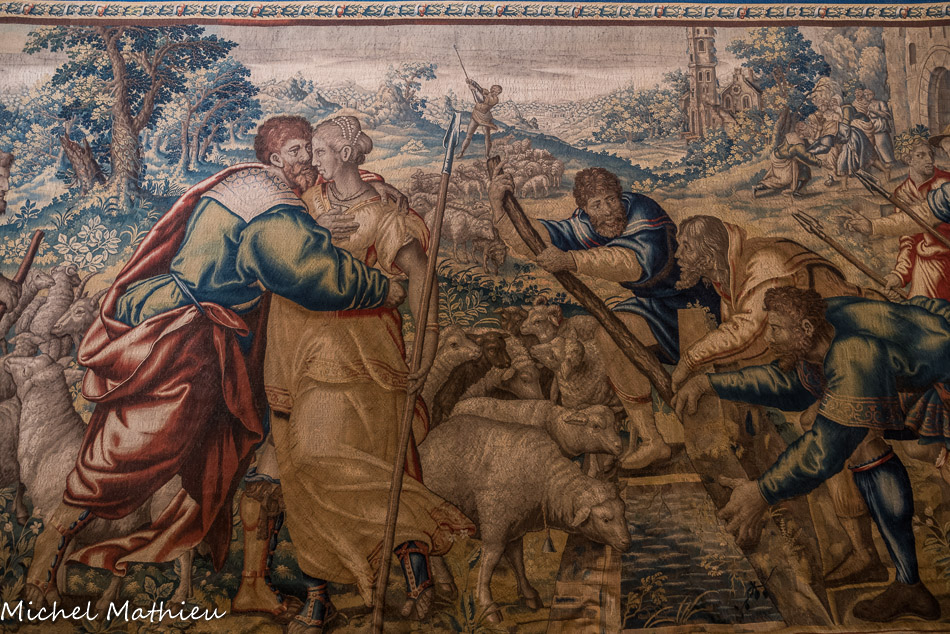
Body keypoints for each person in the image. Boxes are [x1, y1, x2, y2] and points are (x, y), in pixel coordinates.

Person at [21, 115, 406, 609]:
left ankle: (248, 584)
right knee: (127, 455)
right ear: (274, 159)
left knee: (218, 460)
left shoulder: (250, 185)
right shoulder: (269, 202)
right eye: (297, 151)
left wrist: (367, 188)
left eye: (311, 149)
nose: (309, 159)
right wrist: (379, 288)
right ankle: (44, 564)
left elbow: (331, 194)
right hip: (185, 345)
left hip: (207, 341)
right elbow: (305, 270)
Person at [264, 115, 474, 633]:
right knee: (301, 470)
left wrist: (427, 339)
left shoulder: (383, 214)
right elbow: (276, 254)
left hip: (361, 355)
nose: (312, 159)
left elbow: (420, 275)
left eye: (319, 150)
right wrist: (311, 237)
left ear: (344, 154)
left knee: (350, 460)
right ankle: (321, 596)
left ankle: (411, 564)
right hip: (295, 351)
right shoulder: (306, 207)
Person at [673, 287, 948, 622]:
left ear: (803, 329)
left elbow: (825, 450)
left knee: (859, 441)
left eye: (776, 330)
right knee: (862, 444)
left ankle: (910, 585)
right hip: (921, 358)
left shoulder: (850, 351)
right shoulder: (818, 328)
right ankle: (910, 585)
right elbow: (786, 385)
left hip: (942, 373)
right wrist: (710, 383)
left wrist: (761, 492)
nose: (768, 339)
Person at [669, 215, 887, 585]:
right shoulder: (730, 282)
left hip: (861, 347)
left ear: (708, 250)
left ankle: (877, 556)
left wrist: (689, 361)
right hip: (823, 361)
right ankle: (866, 552)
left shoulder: (763, 262)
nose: (678, 255)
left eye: (686, 246)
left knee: (850, 441)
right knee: (831, 438)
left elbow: (746, 331)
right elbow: (752, 348)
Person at [489, 166, 720, 470]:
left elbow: (633, 263)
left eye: (611, 200)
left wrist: (570, 260)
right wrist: (499, 208)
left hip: (697, 307)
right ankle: (653, 441)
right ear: (585, 209)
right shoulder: (586, 225)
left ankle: (715, 445)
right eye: (597, 205)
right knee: (611, 337)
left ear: (620, 196)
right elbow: (537, 240)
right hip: (655, 310)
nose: (608, 210)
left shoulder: (643, 213)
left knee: (705, 391)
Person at [843, 137, 950, 300]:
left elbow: (922, 217)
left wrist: (873, 226)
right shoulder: (903, 192)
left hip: (947, 258)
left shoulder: (944, 183)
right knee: (921, 310)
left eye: (931, 154)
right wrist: (900, 275)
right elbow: (908, 238)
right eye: (921, 155)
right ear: (908, 159)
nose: (930, 160)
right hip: (927, 266)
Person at [752, 121, 821, 199]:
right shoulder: (797, 143)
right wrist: (818, 162)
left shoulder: (794, 136)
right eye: (806, 131)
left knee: (805, 170)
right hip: (781, 161)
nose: (808, 132)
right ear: (801, 132)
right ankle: (757, 187)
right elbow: (806, 156)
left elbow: (806, 147)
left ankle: (796, 191)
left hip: (785, 158)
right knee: (784, 180)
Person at [457, 79, 502, 159]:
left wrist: (475, 90)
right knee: (468, 136)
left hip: (485, 118)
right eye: (493, 88)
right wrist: (472, 82)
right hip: (475, 115)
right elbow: (479, 88)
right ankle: (462, 152)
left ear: (497, 92)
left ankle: (487, 155)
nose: (493, 89)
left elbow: (481, 100)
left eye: (495, 89)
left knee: (487, 137)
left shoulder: (494, 100)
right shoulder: (486, 92)